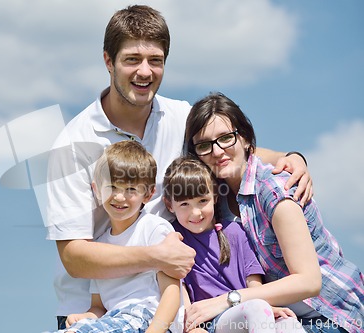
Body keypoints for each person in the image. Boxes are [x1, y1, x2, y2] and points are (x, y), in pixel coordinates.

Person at [46, 5, 313, 329]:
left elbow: (225, 149)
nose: (145, 71)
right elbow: (74, 257)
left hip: (171, 308)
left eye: (155, 61)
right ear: (108, 61)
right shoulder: (73, 143)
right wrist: (157, 255)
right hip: (97, 312)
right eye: (132, 59)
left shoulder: (179, 116)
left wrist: (289, 157)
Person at [182, 92, 364, 333]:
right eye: (205, 145)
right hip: (279, 315)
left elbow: (309, 281)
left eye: (226, 138)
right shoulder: (214, 198)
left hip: (331, 313)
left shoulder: (275, 189)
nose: (217, 151)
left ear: (245, 139)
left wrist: (226, 300)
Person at [163, 156, 306, 333]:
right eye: (184, 204)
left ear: (214, 196)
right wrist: (189, 328)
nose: (195, 212)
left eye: (202, 201)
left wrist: (270, 309)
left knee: (288, 323)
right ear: (169, 205)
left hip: (245, 309)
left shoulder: (235, 232)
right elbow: (179, 289)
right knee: (257, 309)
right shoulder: (174, 238)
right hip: (211, 322)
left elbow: (254, 283)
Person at [49, 140, 181, 333]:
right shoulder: (100, 246)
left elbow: (171, 293)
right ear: (97, 190)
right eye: (112, 187)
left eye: (131, 189)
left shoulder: (154, 228)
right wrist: (85, 317)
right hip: (114, 318)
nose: (120, 197)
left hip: (148, 318)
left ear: (148, 194)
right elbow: (99, 307)